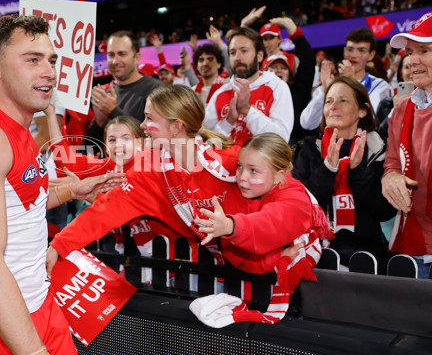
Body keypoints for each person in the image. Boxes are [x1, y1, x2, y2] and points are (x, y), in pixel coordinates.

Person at [0, 14, 124, 355]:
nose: (49, 71)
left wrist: (70, 189)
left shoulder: (19, 129)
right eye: (32, 60)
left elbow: (19, 202)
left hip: (38, 306)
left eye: (51, 60)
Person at [48, 84, 242, 282]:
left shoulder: (231, 160)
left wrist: (239, 227)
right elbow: (103, 213)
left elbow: (273, 204)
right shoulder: (147, 170)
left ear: (176, 126)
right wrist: (59, 245)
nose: (141, 125)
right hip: (206, 275)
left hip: (257, 271)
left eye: (149, 118)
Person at [192, 133, 330, 325]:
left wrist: (232, 227)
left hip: (298, 304)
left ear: (278, 177)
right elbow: (236, 257)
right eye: (239, 166)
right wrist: (274, 260)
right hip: (248, 292)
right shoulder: (234, 196)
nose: (241, 177)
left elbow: (272, 224)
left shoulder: (294, 194)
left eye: (253, 170)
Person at [292, 76, 395, 271]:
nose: (333, 106)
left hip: (367, 259)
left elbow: (384, 210)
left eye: (343, 100)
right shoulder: (308, 149)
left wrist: (357, 171)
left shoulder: (379, 150)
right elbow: (300, 206)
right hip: (317, 255)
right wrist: (328, 169)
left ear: (363, 110)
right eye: (329, 101)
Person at [383, 12, 432, 279]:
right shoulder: (403, 107)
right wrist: (390, 178)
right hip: (413, 246)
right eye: (410, 52)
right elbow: (392, 160)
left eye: (424, 50)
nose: (412, 60)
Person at [203, 27, 294, 145]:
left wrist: (247, 110)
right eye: (232, 52)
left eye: (244, 51)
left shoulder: (277, 87)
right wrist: (229, 121)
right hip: (223, 163)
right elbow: (207, 144)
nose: (237, 57)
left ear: (260, 56)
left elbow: (281, 140)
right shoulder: (220, 94)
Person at [301, 27, 392, 131]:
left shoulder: (379, 85)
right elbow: (306, 123)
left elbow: (371, 122)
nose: (354, 55)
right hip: (330, 145)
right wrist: (325, 92)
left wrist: (350, 84)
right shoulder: (329, 84)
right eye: (350, 49)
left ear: (371, 55)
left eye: (361, 50)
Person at [85, 30, 161, 144]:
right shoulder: (107, 94)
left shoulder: (156, 90)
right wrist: (99, 122)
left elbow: (154, 139)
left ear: (137, 57)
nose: (115, 61)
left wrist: (113, 111)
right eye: (111, 55)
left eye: (122, 54)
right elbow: (90, 147)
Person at [261, 17, 315, 143]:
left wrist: (293, 30)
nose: (279, 70)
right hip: (269, 148)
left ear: (290, 73)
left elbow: (308, 59)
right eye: (274, 67)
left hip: (296, 147)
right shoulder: (260, 94)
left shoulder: (298, 90)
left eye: (283, 67)